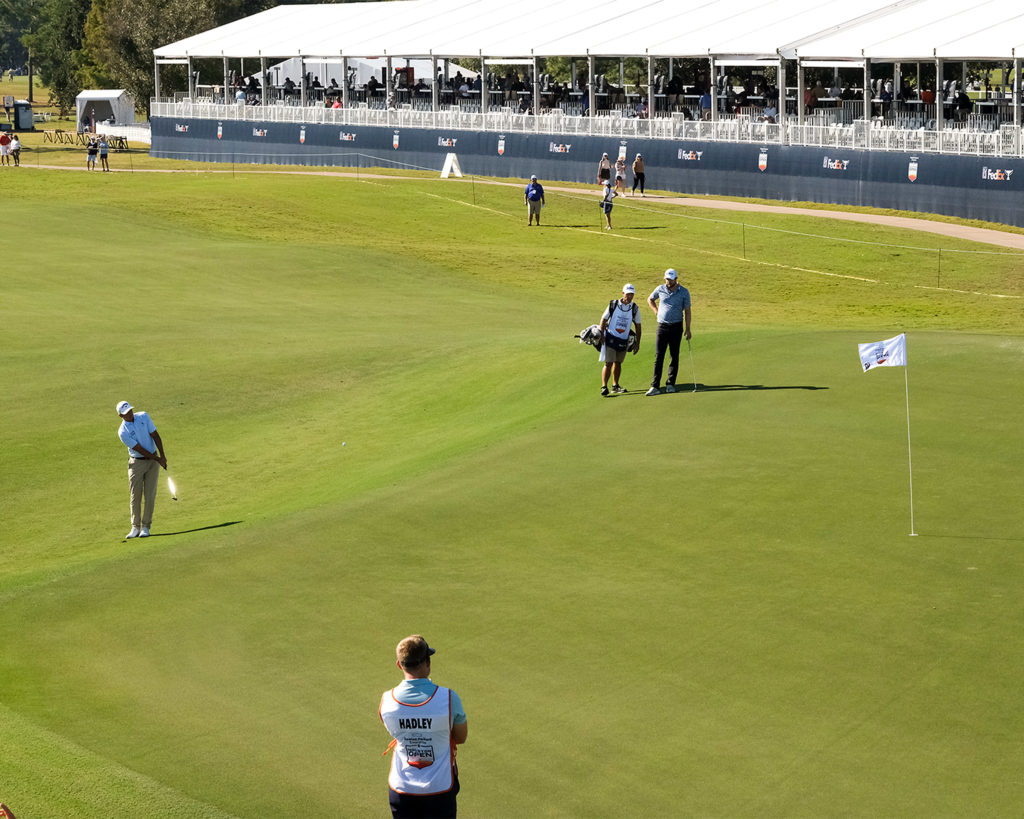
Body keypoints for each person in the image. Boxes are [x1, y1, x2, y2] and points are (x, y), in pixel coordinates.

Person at [380, 635, 467, 819]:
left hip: (402, 788)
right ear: (427, 663)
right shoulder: (449, 698)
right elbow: (461, 737)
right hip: (440, 789)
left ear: (399, 664)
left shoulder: (387, 701)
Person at [115, 401, 168, 539]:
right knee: (135, 496)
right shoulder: (123, 432)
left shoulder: (143, 416)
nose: (130, 414)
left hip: (153, 461)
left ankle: (146, 527)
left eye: (130, 410)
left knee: (150, 495)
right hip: (136, 463)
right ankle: (135, 527)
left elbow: (155, 435)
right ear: (121, 415)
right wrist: (157, 459)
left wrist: (162, 456)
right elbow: (139, 449)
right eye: (126, 413)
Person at [645, 268, 691, 396]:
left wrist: (688, 328)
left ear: (676, 279)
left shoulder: (684, 292)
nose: (668, 281)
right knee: (659, 356)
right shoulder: (660, 289)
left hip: (677, 327)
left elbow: (687, 311)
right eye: (666, 279)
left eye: (670, 279)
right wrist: (656, 311)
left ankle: (671, 384)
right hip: (662, 327)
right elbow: (650, 299)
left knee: (674, 356)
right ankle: (655, 386)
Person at [598, 284, 642, 396]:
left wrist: (637, 343)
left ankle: (615, 386)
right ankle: (604, 387)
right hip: (611, 338)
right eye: (628, 294)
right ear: (623, 293)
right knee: (608, 362)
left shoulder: (635, 308)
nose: (630, 296)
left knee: (618, 363)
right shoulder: (613, 304)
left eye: (632, 294)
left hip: (623, 340)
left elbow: (638, 326)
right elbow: (603, 319)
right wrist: (602, 335)